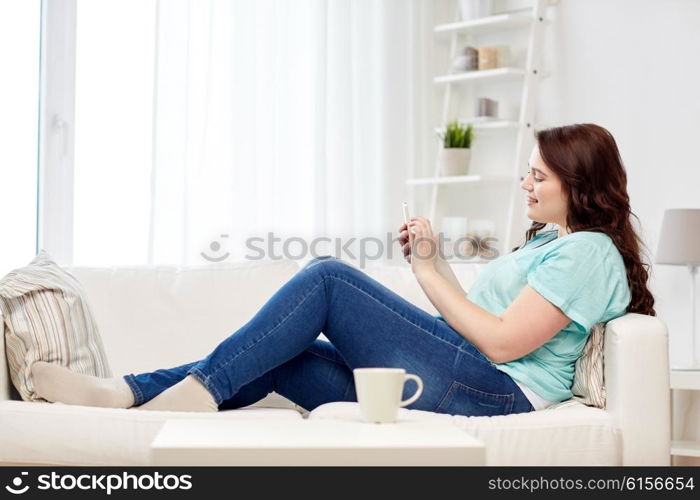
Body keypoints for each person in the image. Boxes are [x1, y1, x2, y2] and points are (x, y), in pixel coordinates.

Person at [30, 123, 656, 416]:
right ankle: (129, 392)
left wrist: (433, 278)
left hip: (499, 394)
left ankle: (185, 398)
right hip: (473, 373)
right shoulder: (547, 242)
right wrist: (432, 264)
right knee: (288, 354)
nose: (525, 183)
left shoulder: (589, 252)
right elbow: (484, 324)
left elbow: (498, 342)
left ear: (578, 184)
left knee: (329, 278)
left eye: (538, 175)